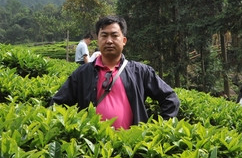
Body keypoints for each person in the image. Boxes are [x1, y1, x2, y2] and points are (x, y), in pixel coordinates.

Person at [51, 15, 180, 129]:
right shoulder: (82, 74)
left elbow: (170, 98)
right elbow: (57, 104)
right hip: (93, 148)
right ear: (98, 40)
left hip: (131, 149)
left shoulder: (140, 72)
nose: (109, 41)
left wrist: (158, 129)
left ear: (124, 41)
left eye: (114, 35)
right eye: (104, 35)